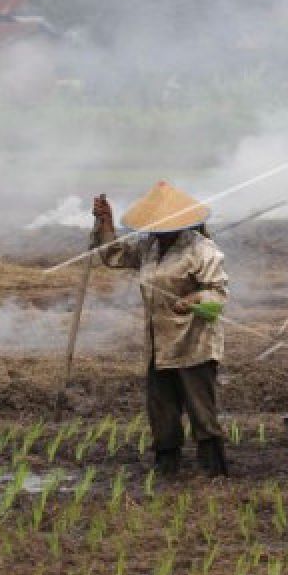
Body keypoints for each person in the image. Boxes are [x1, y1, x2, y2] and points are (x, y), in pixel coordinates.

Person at [91, 182, 230, 478]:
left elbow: (217, 296)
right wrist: (105, 224)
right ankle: (167, 464)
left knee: (200, 408)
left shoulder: (202, 250)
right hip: (159, 342)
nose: (157, 230)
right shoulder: (148, 246)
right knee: (161, 407)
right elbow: (113, 255)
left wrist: (194, 300)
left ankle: (213, 469)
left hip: (193, 342)